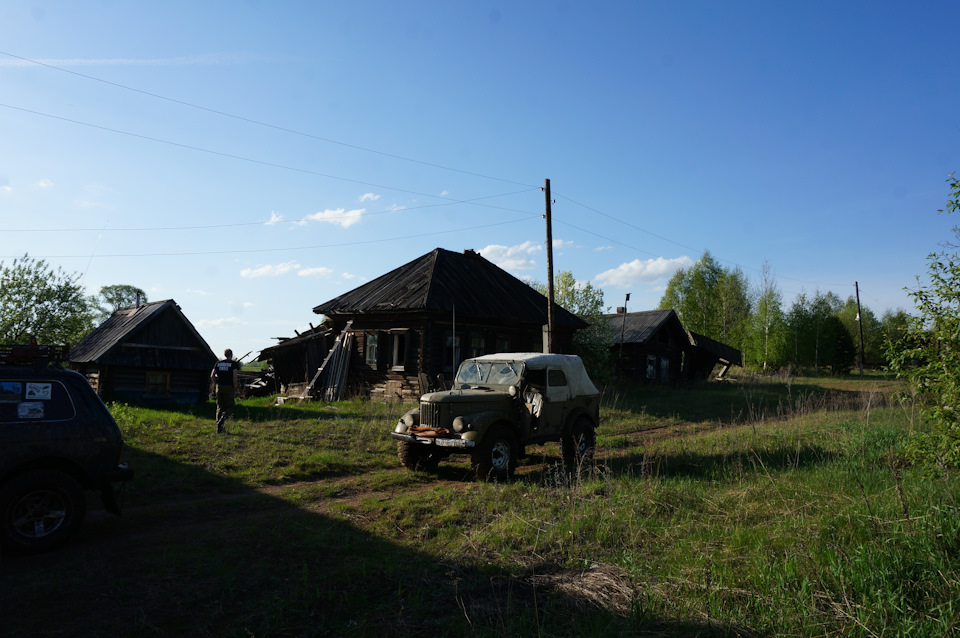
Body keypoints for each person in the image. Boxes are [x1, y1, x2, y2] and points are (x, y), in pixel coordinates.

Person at [211, 349, 240, 433]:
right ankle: (222, 419)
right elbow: (234, 377)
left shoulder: (218, 363)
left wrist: (217, 383)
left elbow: (212, 375)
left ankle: (219, 429)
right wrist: (235, 387)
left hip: (219, 387)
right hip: (228, 387)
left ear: (224, 355)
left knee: (219, 407)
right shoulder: (233, 364)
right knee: (230, 406)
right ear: (231, 355)